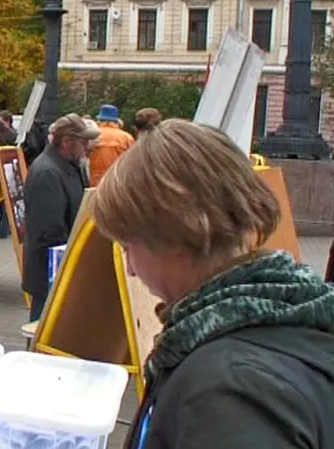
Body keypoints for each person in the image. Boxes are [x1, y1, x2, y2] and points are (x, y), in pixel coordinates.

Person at [90, 119, 334, 449]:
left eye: (128, 246)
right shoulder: (293, 310)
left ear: (173, 234)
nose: (130, 269)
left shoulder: (228, 390)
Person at [22, 114, 97, 322]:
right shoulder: (48, 172)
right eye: (83, 142)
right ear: (66, 142)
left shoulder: (69, 166)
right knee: (42, 329)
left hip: (60, 269)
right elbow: (49, 231)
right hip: (49, 272)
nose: (88, 147)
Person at [89, 104, 134, 186]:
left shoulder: (91, 135)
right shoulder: (126, 137)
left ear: (99, 119)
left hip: (93, 182)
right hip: (116, 182)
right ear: (116, 121)